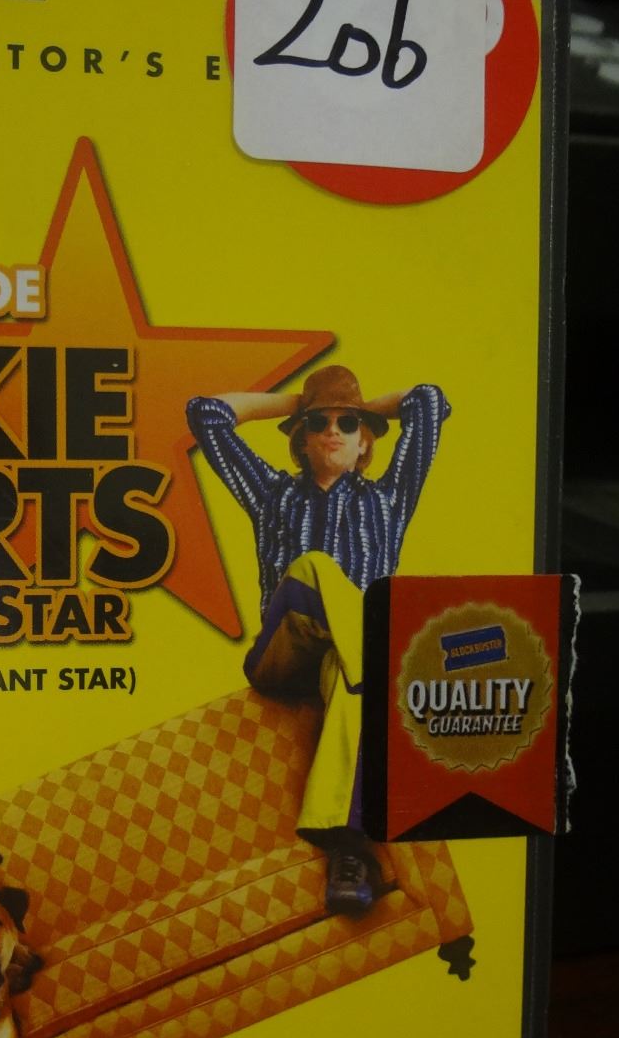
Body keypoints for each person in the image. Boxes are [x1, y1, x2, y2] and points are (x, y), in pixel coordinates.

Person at [186, 365, 450, 915]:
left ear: (365, 442)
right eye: (319, 423)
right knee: (316, 567)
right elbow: (206, 414)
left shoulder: (389, 499)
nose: (333, 430)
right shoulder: (272, 494)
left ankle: (347, 851)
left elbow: (428, 401)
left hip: (344, 668)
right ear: (302, 439)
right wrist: (300, 402)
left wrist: (359, 405)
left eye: (347, 423)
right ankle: (377, 666)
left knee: (354, 680)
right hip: (285, 650)